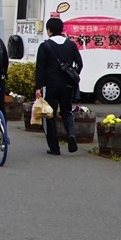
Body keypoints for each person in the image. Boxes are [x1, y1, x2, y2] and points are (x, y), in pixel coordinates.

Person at [35, 16, 84, 155]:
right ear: (62, 29)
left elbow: (40, 68)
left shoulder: (45, 46)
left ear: (49, 30)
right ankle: (71, 134)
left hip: (51, 85)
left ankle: (54, 147)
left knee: (50, 115)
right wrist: (73, 75)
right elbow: (79, 63)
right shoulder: (70, 44)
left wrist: (38, 87)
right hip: (67, 85)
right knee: (66, 112)